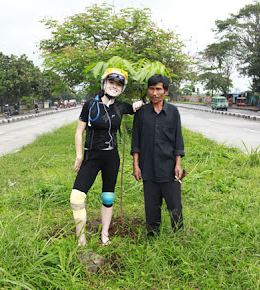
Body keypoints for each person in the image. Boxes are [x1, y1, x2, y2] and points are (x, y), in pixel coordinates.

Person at [70, 68, 143, 246]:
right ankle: (81, 242)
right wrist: (79, 156)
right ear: (104, 84)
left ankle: (104, 235)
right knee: (76, 198)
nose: (114, 87)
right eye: (111, 83)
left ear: (122, 88)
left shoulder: (121, 106)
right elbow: (79, 131)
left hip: (112, 157)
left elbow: (138, 107)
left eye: (119, 84)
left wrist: (139, 103)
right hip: (91, 157)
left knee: (108, 198)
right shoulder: (89, 105)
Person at [131, 74, 185, 237]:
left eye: (158, 89)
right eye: (151, 89)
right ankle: (153, 235)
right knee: (151, 205)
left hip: (169, 167)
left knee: (174, 204)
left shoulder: (173, 112)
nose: (154, 93)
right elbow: (136, 140)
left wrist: (178, 164)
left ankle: (178, 235)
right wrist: (136, 164)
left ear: (166, 91)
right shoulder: (142, 113)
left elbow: (178, 140)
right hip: (148, 167)